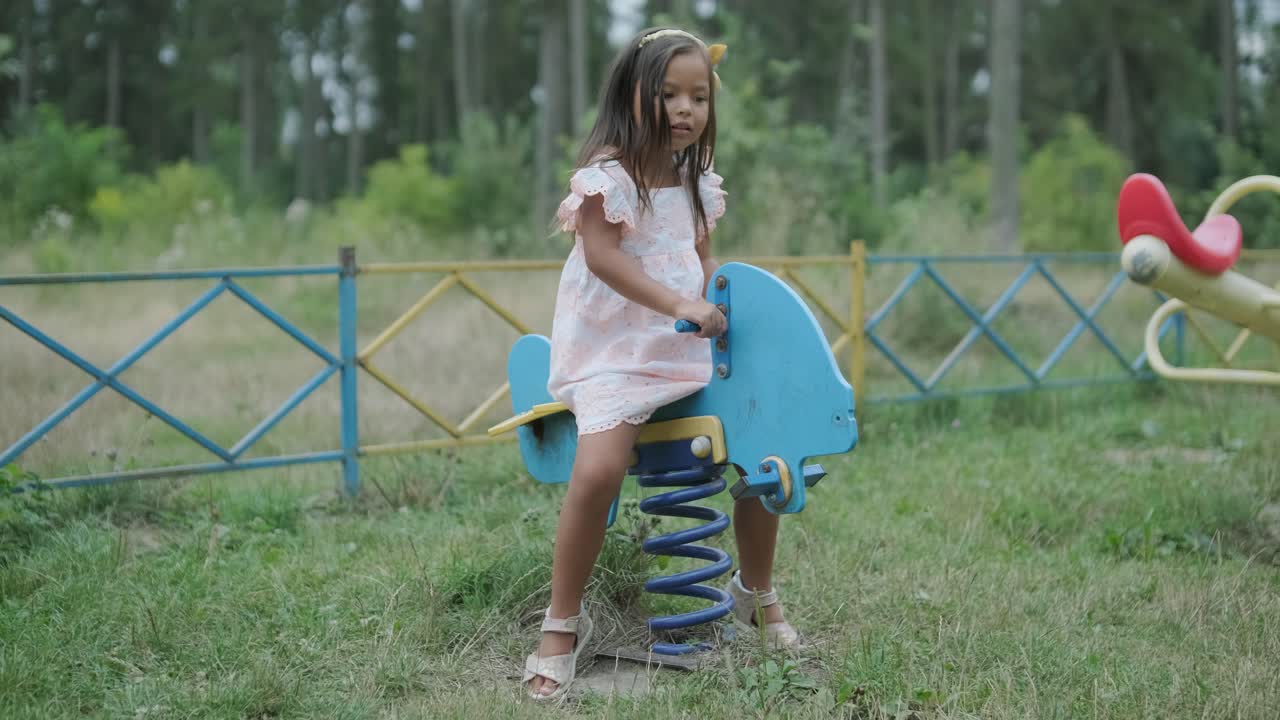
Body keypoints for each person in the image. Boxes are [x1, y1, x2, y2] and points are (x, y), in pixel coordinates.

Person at [523, 27, 800, 701]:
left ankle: (753, 592)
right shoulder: (606, 180)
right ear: (633, 95)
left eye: (698, 97)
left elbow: (702, 258)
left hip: (685, 338)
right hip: (616, 347)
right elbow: (604, 259)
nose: (685, 109)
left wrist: (712, 299)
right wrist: (681, 299)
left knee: (764, 445)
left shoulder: (695, 179)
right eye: (669, 94)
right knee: (599, 470)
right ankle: (561, 623)